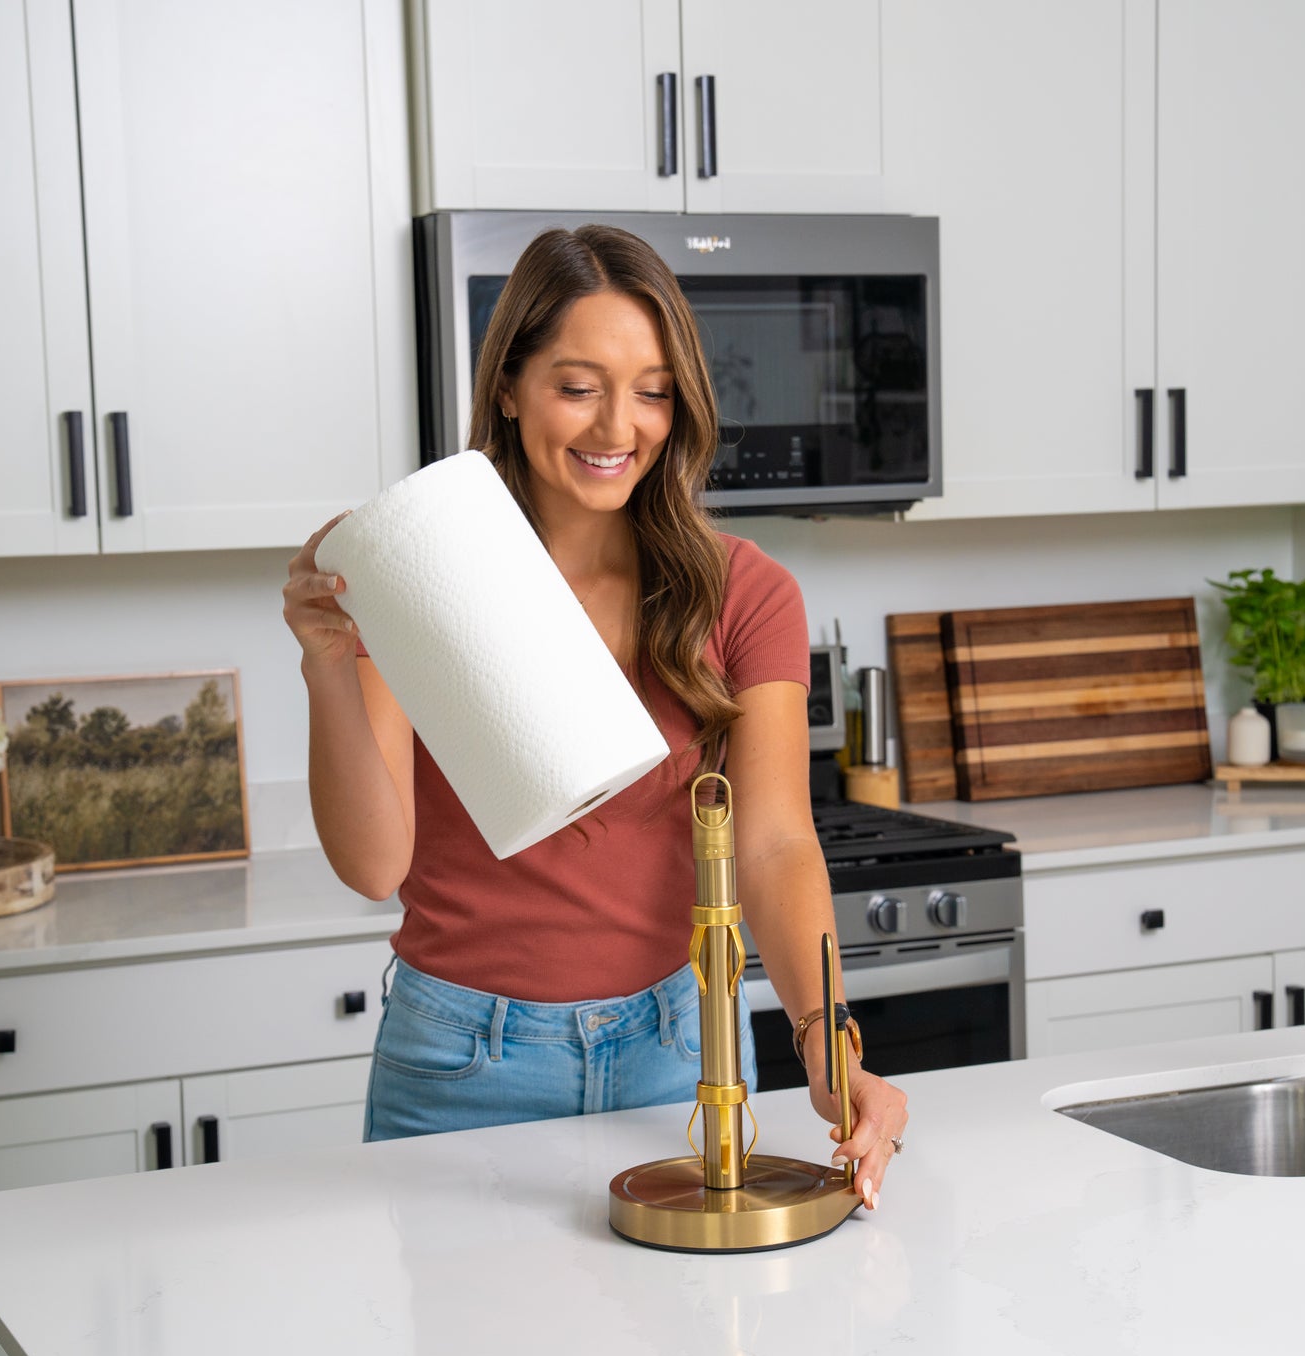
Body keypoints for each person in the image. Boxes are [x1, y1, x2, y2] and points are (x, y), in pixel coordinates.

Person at [282, 224, 908, 1210]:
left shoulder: (743, 592)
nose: (618, 425)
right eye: (577, 386)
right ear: (509, 386)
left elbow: (777, 842)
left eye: (652, 390)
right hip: (460, 1063)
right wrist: (327, 661)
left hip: (678, 1054)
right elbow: (373, 865)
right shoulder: (420, 570)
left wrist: (826, 1046)